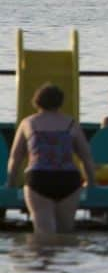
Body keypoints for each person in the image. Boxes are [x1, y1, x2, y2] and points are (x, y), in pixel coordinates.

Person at [6, 84, 97, 235]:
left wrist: (10, 183)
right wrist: (92, 183)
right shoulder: (71, 124)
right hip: (68, 180)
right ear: (60, 102)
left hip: (39, 179)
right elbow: (86, 157)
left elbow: (15, 158)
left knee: (44, 235)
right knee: (66, 233)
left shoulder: (28, 123)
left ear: (37, 101)